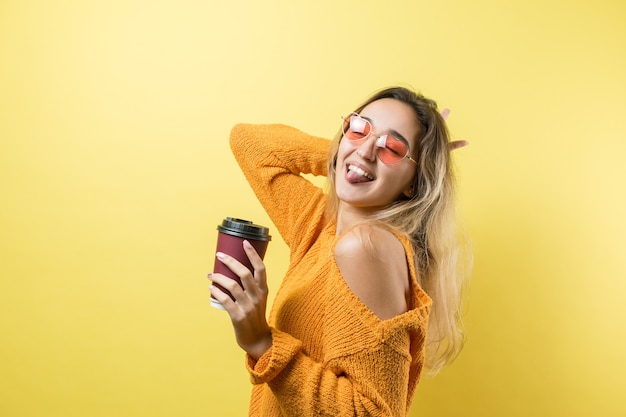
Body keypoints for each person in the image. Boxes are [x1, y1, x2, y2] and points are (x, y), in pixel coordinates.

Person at [208, 86, 471, 416]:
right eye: (360, 128)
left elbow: (371, 412)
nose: (367, 150)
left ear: (414, 183)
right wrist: (354, 156)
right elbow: (250, 143)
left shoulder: (365, 246)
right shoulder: (320, 225)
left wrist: (262, 342)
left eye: (392, 148)